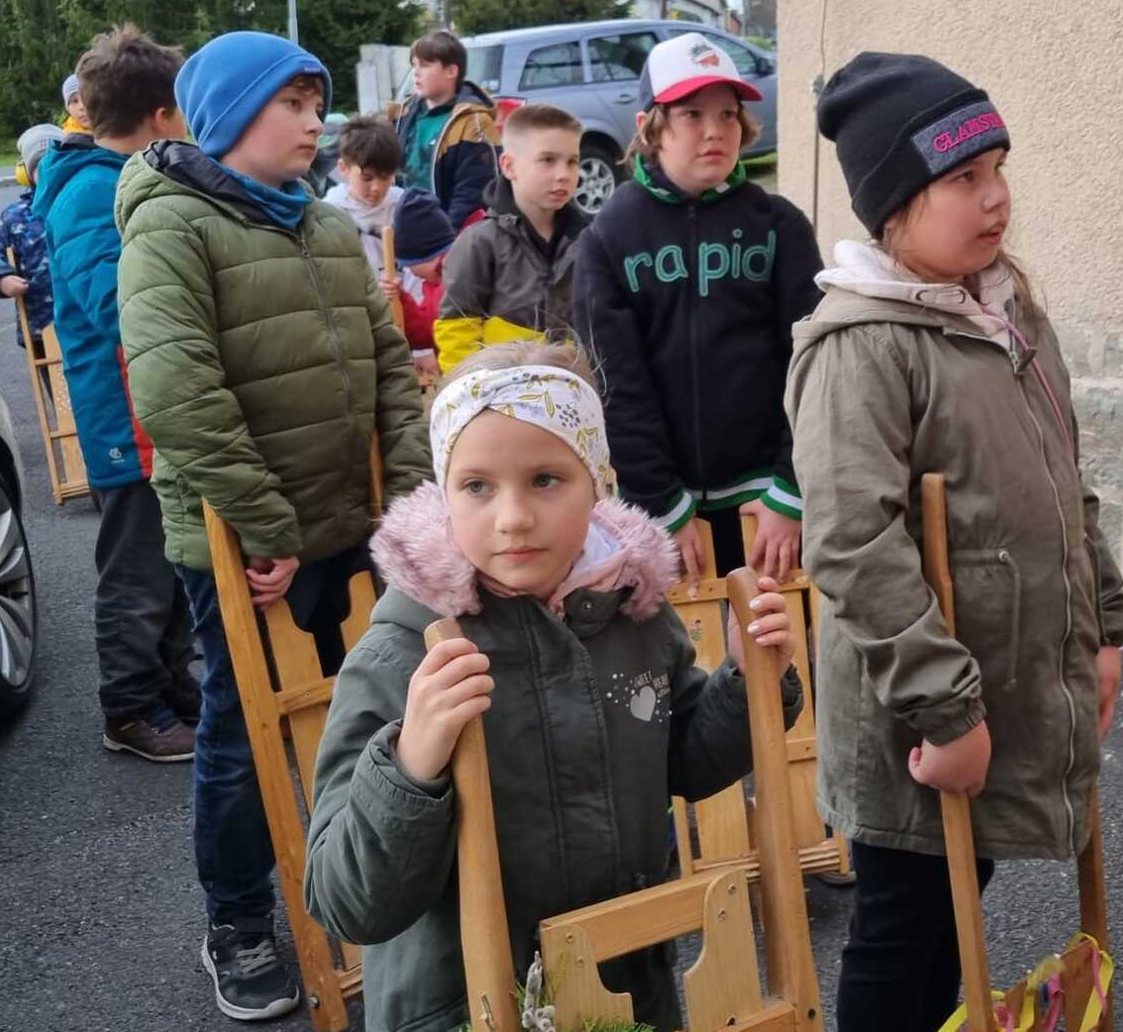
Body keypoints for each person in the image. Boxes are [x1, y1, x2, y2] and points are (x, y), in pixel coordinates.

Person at [304, 340, 805, 1032]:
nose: (512, 516)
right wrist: (410, 765)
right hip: (470, 1008)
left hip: (624, 993)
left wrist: (748, 682)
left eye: (545, 479)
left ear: (596, 482)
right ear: (444, 492)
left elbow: (682, 757)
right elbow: (345, 902)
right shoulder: (402, 656)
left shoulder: (630, 614)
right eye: (477, 485)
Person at [786, 52, 1123, 1032]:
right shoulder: (863, 345)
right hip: (916, 714)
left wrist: (1104, 627)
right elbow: (853, 543)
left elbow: (1065, 487)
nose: (997, 197)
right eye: (964, 177)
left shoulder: (1008, 318)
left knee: (954, 907)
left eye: (999, 169)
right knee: (904, 927)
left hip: (995, 686)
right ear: (896, 205)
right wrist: (944, 710)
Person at [115, 29, 430, 1023]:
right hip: (244, 543)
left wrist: (415, 505)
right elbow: (176, 388)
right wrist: (265, 525)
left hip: (348, 524)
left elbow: (389, 369)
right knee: (245, 731)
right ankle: (240, 918)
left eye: (316, 102)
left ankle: (375, 882)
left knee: (370, 706)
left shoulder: (325, 224)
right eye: (291, 103)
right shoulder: (172, 224)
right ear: (229, 115)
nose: (314, 122)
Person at [573, 32, 823, 582]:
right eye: (692, 114)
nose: (715, 131)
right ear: (649, 126)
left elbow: (813, 365)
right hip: (668, 511)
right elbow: (617, 383)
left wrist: (792, 489)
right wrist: (659, 502)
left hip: (768, 506)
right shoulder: (608, 238)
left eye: (728, 114)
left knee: (779, 633)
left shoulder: (779, 226)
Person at [32, 27, 201, 763]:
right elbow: (119, 307)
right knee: (136, 573)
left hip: (153, 414)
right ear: (161, 115)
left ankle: (173, 687)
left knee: (172, 565)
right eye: (183, 109)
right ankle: (129, 709)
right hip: (124, 421)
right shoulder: (90, 192)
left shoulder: (125, 178)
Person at [433, 102, 589, 374]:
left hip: (570, 387)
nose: (564, 174)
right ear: (509, 166)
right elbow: (456, 332)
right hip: (500, 389)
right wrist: (475, 390)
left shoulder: (588, 241)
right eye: (547, 160)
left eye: (572, 162)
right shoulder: (479, 243)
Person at [393, 30, 498, 231]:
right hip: (406, 230)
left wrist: (446, 239)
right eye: (414, 65)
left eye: (425, 65)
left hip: (449, 235)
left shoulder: (474, 123)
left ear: (451, 71)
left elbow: (472, 194)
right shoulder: (403, 116)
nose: (416, 72)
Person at [0, 123, 64, 349]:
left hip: (88, 323)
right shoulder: (14, 216)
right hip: (40, 325)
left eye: (54, 162)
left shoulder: (82, 204)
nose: (49, 171)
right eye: (40, 166)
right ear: (26, 173)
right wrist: (1, 279)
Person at [323, 112, 404, 280]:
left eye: (385, 177)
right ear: (343, 168)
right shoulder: (330, 213)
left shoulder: (404, 206)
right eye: (367, 178)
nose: (377, 187)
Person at [384, 189, 451, 381]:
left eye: (408, 265)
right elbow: (426, 331)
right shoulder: (434, 285)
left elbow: (429, 332)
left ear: (425, 256)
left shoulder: (452, 283)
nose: (409, 272)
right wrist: (399, 299)